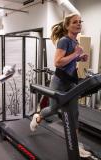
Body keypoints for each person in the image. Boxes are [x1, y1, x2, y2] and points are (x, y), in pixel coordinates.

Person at [30, 13, 91, 157]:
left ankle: (76, 146)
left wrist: (80, 57)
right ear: (67, 26)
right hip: (59, 82)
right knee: (52, 109)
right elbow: (58, 62)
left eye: (80, 21)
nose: (78, 24)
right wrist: (76, 54)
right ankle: (37, 117)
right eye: (75, 22)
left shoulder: (76, 43)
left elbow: (69, 61)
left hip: (71, 81)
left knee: (75, 113)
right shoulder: (64, 41)